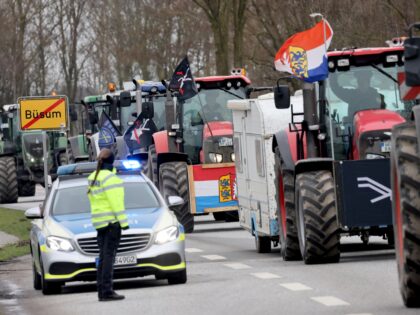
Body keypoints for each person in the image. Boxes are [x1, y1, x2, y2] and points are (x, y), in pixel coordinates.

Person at [87, 148, 129, 302]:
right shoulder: (112, 179)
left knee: (103, 258)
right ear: (112, 162)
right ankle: (107, 291)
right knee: (109, 258)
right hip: (112, 223)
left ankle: (101, 291)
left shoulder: (93, 177)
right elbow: (116, 203)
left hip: (99, 223)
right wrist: (124, 223)